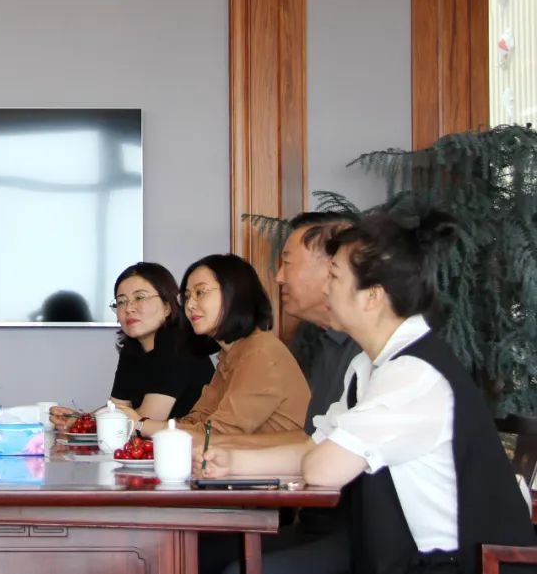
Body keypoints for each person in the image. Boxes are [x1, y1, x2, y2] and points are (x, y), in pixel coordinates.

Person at [200, 212, 537, 574]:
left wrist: (315, 457)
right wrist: (232, 462)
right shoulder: (368, 364)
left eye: (334, 276)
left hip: (458, 565)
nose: (325, 289)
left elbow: (324, 468)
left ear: (372, 296)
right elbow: (316, 447)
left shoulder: (412, 375)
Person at [202, 213, 357, 574]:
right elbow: (310, 440)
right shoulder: (330, 346)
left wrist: (224, 451)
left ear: (333, 269)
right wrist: (227, 455)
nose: (279, 277)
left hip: (355, 533)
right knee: (196, 551)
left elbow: (322, 457)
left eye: (287, 263)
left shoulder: (370, 355)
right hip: (313, 521)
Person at [50, 262, 215, 432]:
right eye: (121, 302)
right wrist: (79, 420)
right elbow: (116, 407)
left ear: (167, 306)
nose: (128, 308)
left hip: (195, 445)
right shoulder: (132, 349)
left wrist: (87, 423)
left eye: (140, 297)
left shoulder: (176, 345)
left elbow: (145, 420)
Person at [166, 254, 309, 441]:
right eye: (186, 297)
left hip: (285, 460)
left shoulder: (260, 353)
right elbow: (199, 419)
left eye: (200, 292)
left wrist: (141, 425)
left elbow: (217, 434)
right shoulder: (230, 354)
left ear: (234, 293)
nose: (190, 305)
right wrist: (144, 426)